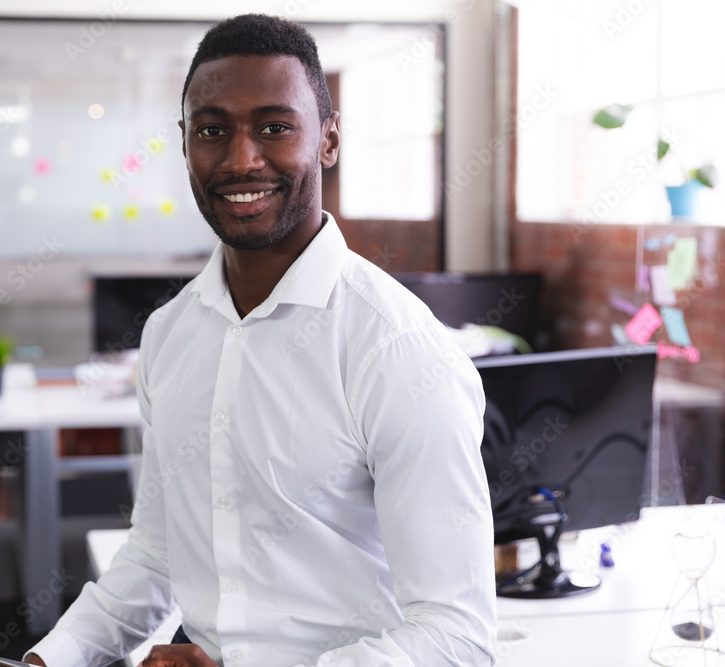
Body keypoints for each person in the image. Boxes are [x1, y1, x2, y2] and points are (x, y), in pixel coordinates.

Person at [25, 13, 496, 667]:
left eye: (275, 127)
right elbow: (158, 553)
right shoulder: (170, 334)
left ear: (328, 139)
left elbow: (457, 637)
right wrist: (52, 657)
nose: (241, 159)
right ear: (185, 143)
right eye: (212, 130)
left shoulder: (397, 349)